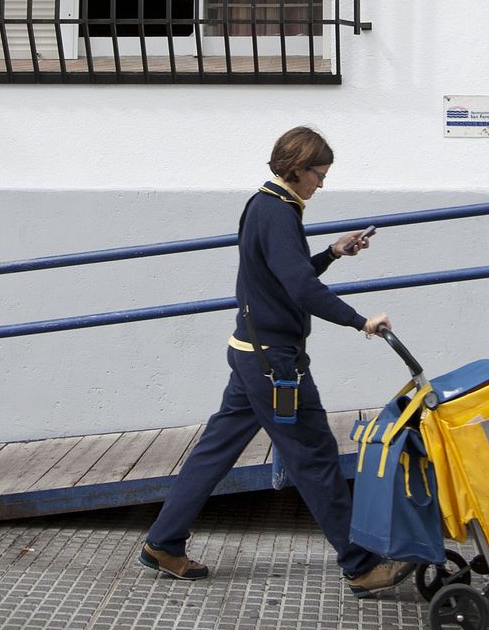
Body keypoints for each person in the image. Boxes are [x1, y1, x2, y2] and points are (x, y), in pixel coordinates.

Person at [138, 126, 413, 597]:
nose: (322, 183)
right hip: (275, 365)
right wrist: (360, 321)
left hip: (251, 351)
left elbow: (287, 274)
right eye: (320, 174)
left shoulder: (263, 204)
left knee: (213, 454)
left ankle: (163, 543)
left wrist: (332, 252)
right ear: (298, 168)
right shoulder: (279, 213)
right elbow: (301, 289)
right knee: (316, 460)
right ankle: (361, 566)